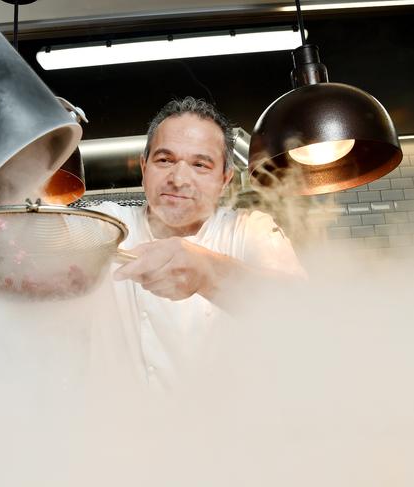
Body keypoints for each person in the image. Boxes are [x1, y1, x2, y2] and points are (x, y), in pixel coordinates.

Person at [91, 96, 305, 389]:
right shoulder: (111, 225)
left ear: (225, 179)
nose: (179, 179)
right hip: (127, 426)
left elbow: (302, 312)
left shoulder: (249, 229)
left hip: (230, 425)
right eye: (164, 160)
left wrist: (207, 271)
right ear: (144, 167)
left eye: (201, 165)